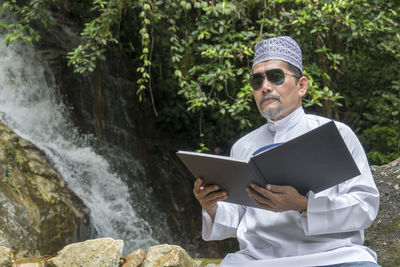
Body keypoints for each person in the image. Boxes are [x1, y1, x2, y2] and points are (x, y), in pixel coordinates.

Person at [193, 36, 381, 267]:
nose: (265, 87)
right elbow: (238, 218)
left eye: (275, 77)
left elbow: (365, 207)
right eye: (257, 81)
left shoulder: (336, 134)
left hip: (334, 256)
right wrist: (211, 206)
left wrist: (303, 205)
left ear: (302, 85)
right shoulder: (243, 146)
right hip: (257, 260)